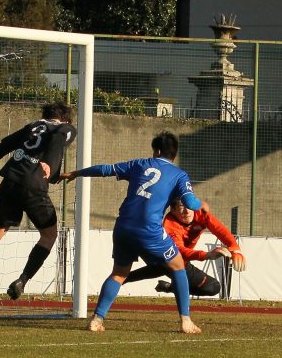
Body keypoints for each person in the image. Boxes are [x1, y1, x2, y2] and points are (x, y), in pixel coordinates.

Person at [59, 131, 203, 334]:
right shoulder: (179, 175)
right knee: (178, 266)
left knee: (119, 273)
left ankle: (97, 319)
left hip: (123, 227)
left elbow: (106, 169)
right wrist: (200, 204)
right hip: (149, 230)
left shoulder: (139, 164)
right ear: (174, 153)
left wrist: (78, 173)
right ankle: (185, 321)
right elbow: (190, 203)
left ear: (157, 150)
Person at [0, 101, 76, 309]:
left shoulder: (31, 127)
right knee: (49, 235)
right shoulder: (65, 128)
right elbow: (57, 140)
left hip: (10, 182)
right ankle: (22, 280)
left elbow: (2, 147)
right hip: (33, 186)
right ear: (65, 118)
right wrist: (49, 163)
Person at [123, 198, 246, 296]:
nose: (187, 211)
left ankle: (120, 279)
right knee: (213, 286)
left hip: (177, 262)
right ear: (173, 210)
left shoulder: (201, 213)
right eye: (182, 208)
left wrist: (235, 249)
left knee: (213, 287)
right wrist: (206, 255)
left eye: (189, 207)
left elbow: (221, 231)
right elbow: (179, 251)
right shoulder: (170, 224)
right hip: (168, 259)